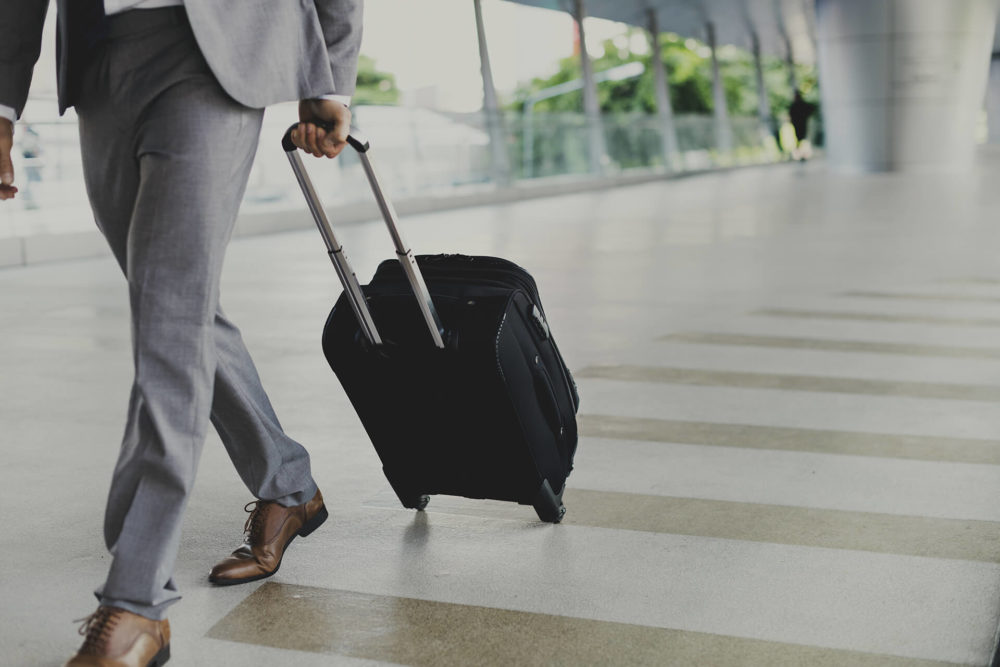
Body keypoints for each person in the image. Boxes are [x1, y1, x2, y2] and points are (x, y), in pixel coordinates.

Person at [0, 1, 363, 665]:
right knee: (176, 303)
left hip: (215, 52)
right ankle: (289, 481)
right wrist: (2, 104)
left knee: (169, 319)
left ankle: (135, 603)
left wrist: (330, 72)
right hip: (100, 55)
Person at [788, 89, 816, 161]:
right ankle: (801, 154)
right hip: (799, 124)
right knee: (800, 139)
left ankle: (802, 154)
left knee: (801, 139)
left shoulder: (797, 105)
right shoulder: (796, 105)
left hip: (800, 124)